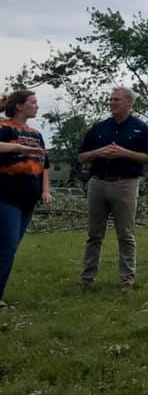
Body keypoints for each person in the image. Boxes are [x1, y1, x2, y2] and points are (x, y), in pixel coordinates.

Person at [77, 87, 148, 293]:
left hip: (125, 184)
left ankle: (127, 280)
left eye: (116, 100)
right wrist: (99, 152)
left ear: (129, 103)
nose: (111, 103)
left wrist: (124, 153)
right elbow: (82, 156)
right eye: (110, 99)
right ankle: (86, 278)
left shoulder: (141, 129)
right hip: (98, 183)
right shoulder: (99, 128)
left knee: (125, 234)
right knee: (94, 234)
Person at [0, 90, 52, 309]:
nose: (36, 106)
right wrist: (20, 147)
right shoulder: (5, 128)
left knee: (9, 248)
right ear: (19, 106)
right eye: (33, 102)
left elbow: (44, 165)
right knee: (7, 246)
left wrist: (45, 190)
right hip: (6, 197)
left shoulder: (36, 134)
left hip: (28, 200)